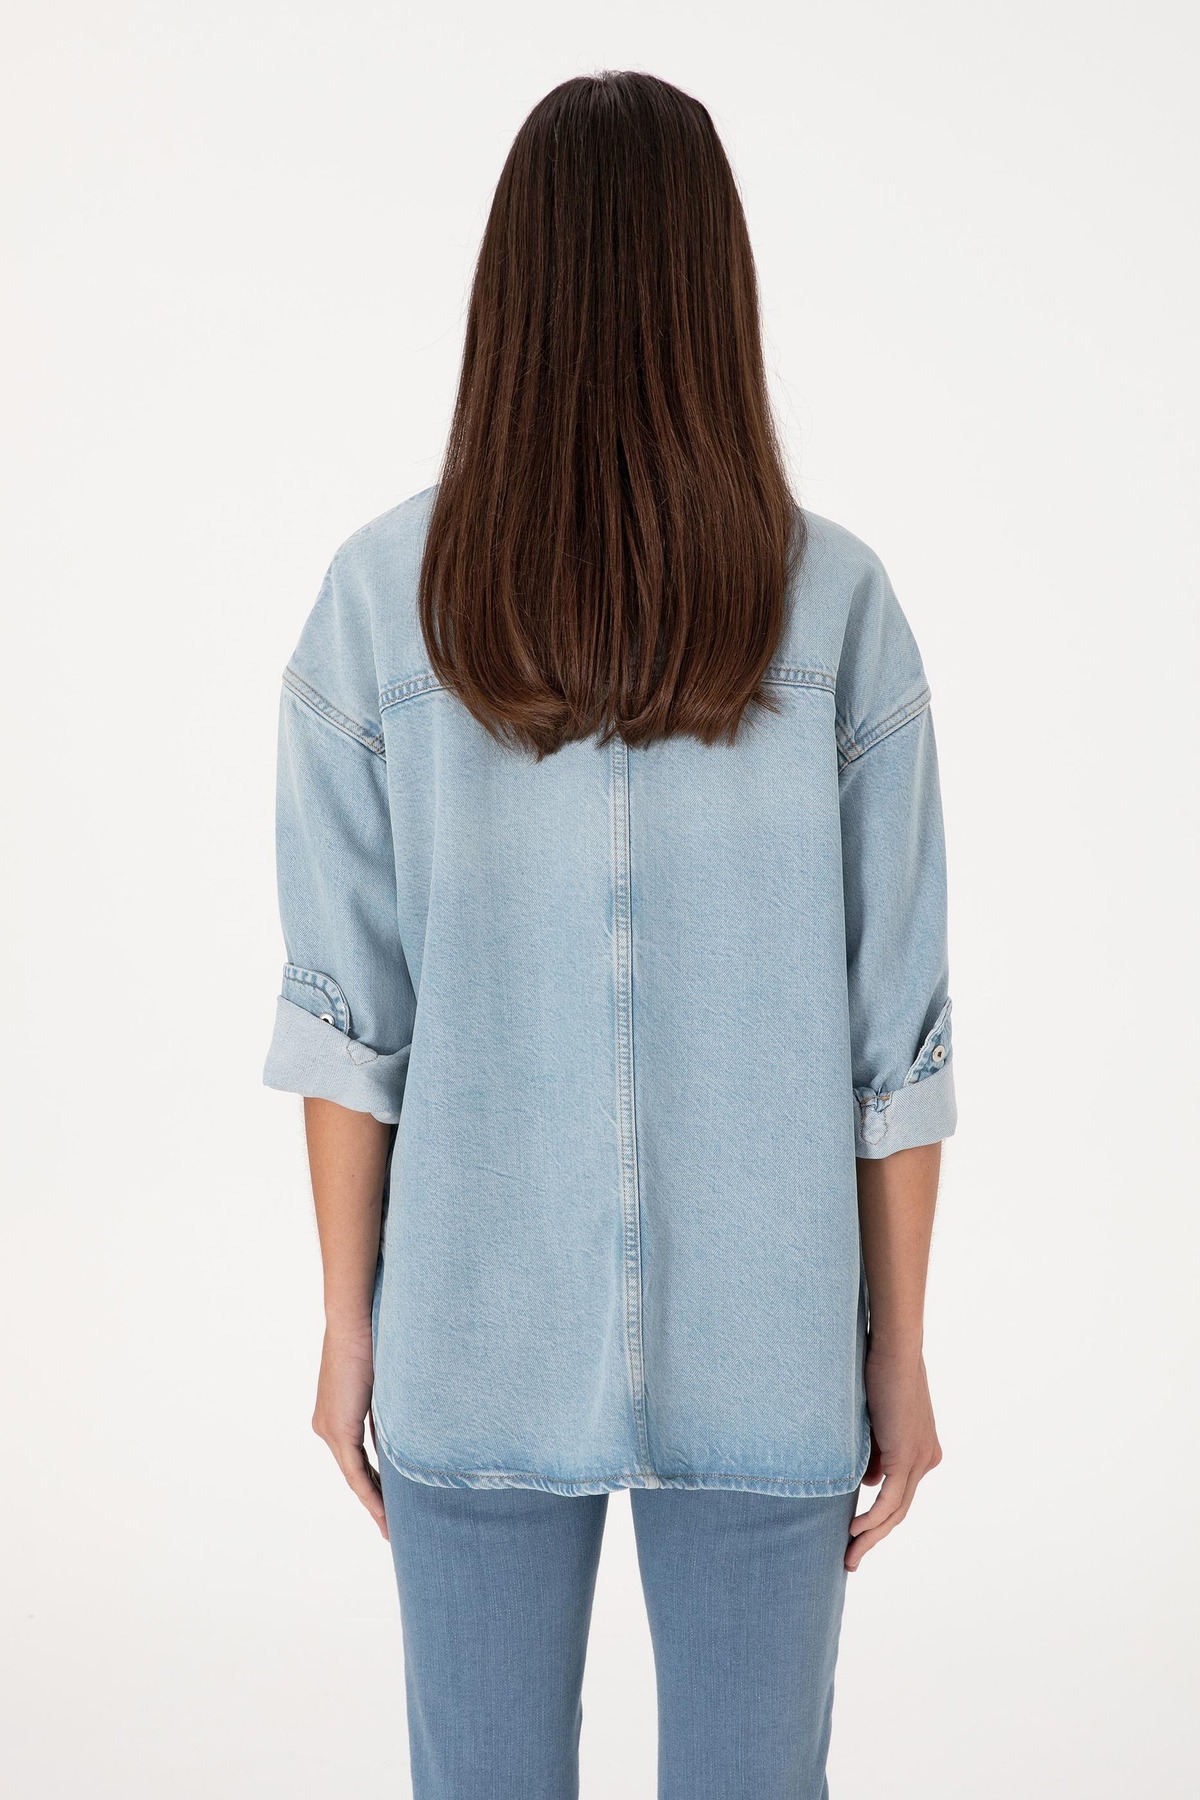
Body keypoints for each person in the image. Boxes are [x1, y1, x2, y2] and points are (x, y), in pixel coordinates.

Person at [263, 69, 957, 1800]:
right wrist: (899, 1347)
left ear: (510, 296)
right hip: (772, 1333)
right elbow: (897, 1049)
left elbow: (348, 1022)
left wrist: (350, 1324)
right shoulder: (838, 608)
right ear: (718, 290)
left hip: (468, 1323)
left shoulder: (383, 604)